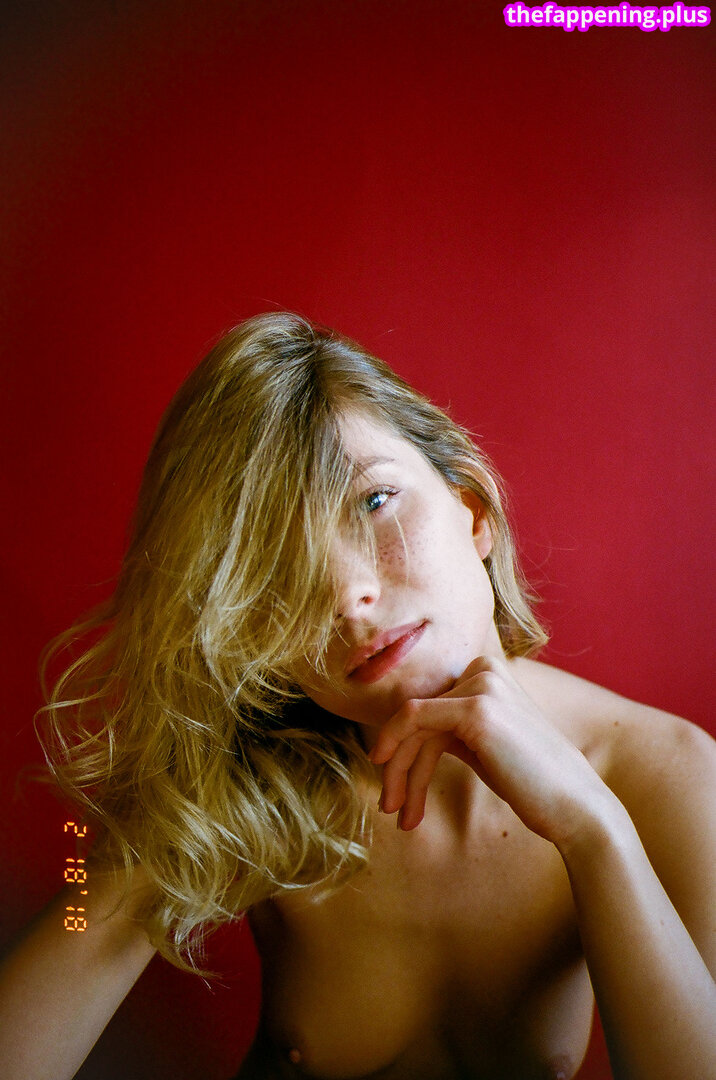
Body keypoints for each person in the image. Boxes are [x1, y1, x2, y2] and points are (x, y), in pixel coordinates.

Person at [1, 312, 714, 1080]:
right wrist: (104, 868)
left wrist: (594, 828)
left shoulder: (668, 775)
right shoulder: (239, 778)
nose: (347, 597)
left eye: (373, 502)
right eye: (274, 568)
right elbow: (73, 925)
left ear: (471, 510)